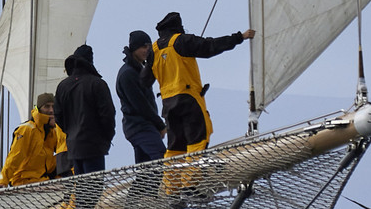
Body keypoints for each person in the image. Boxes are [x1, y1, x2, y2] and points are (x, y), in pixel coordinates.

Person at [152, 12, 255, 153]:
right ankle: (193, 174)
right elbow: (210, 46)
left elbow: (145, 80)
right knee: (198, 139)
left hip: (168, 105)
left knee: (176, 146)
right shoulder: (181, 41)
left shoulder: (154, 50)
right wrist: (239, 37)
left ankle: (171, 175)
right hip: (188, 99)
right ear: (178, 27)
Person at [53, 44, 115, 173]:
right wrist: (106, 138)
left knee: (82, 190)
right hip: (94, 146)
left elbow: (58, 116)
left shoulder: (63, 86)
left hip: (73, 146)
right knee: (93, 189)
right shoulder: (97, 84)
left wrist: (70, 131)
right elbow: (108, 115)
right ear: (90, 62)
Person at [116, 32, 165, 162]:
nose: (147, 51)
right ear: (134, 48)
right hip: (140, 127)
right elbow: (141, 105)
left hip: (138, 127)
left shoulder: (138, 70)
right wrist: (160, 125)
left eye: (149, 48)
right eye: (143, 47)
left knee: (146, 172)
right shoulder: (128, 74)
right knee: (161, 159)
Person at [0, 93, 62, 185]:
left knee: (71, 155)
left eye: (53, 107)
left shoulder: (52, 131)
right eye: (47, 106)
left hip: (42, 179)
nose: (51, 110)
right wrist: (2, 182)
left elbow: (66, 149)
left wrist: (59, 124)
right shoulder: (27, 129)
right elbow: (15, 157)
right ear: (39, 109)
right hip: (23, 181)